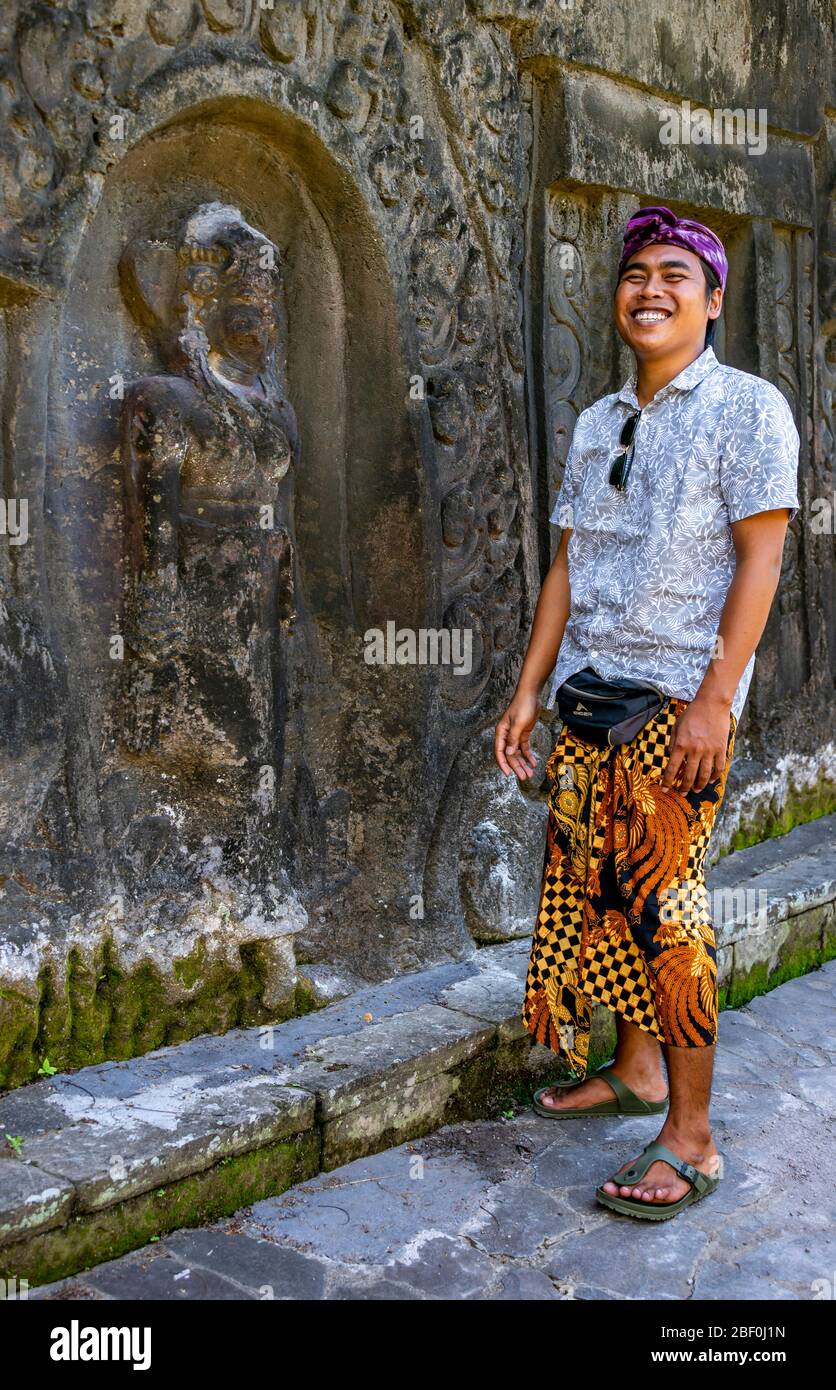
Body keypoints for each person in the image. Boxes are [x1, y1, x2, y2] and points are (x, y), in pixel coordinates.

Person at [495, 205, 800, 1220]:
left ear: (712, 301)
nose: (650, 288)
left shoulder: (747, 409)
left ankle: (692, 1136)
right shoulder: (595, 422)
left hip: (676, 707)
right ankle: (634, 1071)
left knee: (668, 911)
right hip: (588, 698)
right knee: (600, 893)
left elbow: (760, 557)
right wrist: (527, 687)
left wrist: (715, 696)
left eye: (675, 273)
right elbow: (567, 564)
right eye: (634, 274)